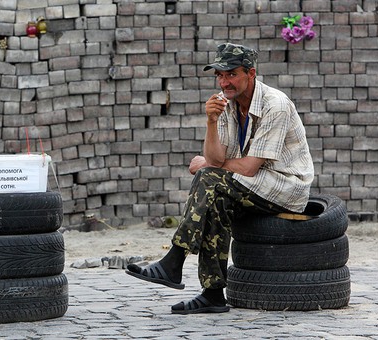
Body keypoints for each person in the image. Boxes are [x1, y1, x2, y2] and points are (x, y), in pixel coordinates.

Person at [125, 42, 314, 314]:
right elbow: (215, 161)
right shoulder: (225, 104)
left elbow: (247, 167)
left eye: (231, 74)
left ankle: (174, 260)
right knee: (215, 197)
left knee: (210, 178)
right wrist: (211, 122)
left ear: (251, 73)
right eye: (220, 75)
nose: (224, 82)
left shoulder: (276, 105)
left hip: (285, 187)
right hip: (251, 185)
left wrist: (210, 165)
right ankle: (213, 294)